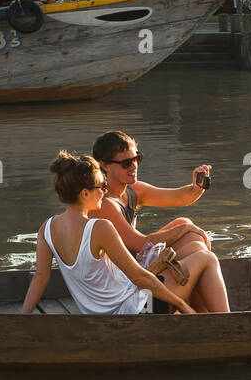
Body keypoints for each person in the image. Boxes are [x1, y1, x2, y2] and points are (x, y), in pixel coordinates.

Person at [21, 151, 210, 316]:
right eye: (101, 187)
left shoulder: (46, 228)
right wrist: (183, 305)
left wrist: (23, 316)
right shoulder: (100, 228)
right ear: (85, 194)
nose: (104, 192)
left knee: (190, 246)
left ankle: (208, 319)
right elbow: (139, 278)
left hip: (100, 315)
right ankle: (224, 321)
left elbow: (40, 277)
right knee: (205, 258)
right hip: (136, 311)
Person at [92, 131, 224, 312]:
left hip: (137, 276)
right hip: (129, 294)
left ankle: (205, 316)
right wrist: (184, 229)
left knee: (186, 229)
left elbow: (177, 197)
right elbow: (140, 244)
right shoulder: (104, 204)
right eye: (126, 163)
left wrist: (196, 187)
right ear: (104, 165)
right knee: (204, 255)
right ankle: (224, 321)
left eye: (136, 159)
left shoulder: (131, 190)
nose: (133, 166)